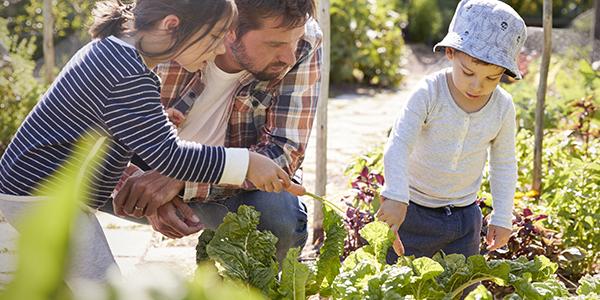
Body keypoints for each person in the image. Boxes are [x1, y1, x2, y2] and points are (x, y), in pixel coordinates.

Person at [0, 0, 293, 284]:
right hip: (43, 196)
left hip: (34, 190)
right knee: (102, 288)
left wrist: (154, 120)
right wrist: (246, 163)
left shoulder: (114, 53)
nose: (220, 48)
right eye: (215, 36)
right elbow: (171, 157)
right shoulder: (127, 73)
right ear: (171, 25)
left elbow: (109, 127)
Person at [108, 0, 322, 263]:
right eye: (274, 44)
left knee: (279, 217)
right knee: (61, 177)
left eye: (295, 41)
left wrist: (180, 176)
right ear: (229, 29)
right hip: (139, 168)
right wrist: (144, 193)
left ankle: (224, 280)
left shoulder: (302, 38)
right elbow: (86, 138)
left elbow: (283, 153)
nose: (289, 57)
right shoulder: (161, 28)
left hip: (228, 182)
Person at [377, 0, 526, 262]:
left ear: (504, 72)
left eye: (492, 78)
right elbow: (399, 143)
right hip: (412, 211)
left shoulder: (502, 107)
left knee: (459, 288)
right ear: (450, 53)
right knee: (397, 282)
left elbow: (503, 164)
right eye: (468, 72)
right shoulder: (429, 92)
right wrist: (396, 195)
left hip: (464, 217)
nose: (477, 85)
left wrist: (502, 216)